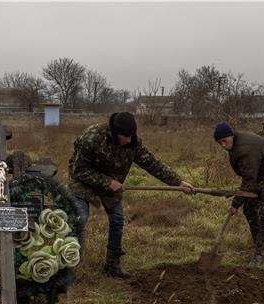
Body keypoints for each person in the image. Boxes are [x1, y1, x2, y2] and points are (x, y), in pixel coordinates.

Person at [68, 112, 194, 278]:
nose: (128, 140)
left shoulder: (133, 142)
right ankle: (67, 265)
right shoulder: (92, 137)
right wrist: (107, 182)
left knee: (117, 220)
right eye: (124, 136)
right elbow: (79, 170)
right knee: (80, 218)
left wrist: (178, 182)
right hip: (83, 183)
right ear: (114, 132)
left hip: (112, 186)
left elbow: (152, 164)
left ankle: (112, 265)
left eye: (131, 136)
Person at [213, 123, 264, 267]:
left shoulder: (244, 149)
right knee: (249, 209)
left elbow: (249, 181)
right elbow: (249, 177)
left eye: (224, 141)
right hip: (259, 176)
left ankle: (258, 255)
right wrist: (240, 200)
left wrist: (235, 204)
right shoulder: (236, 144)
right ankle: (257, 245)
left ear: (231, 135)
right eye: (220, 143)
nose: (223, 145)